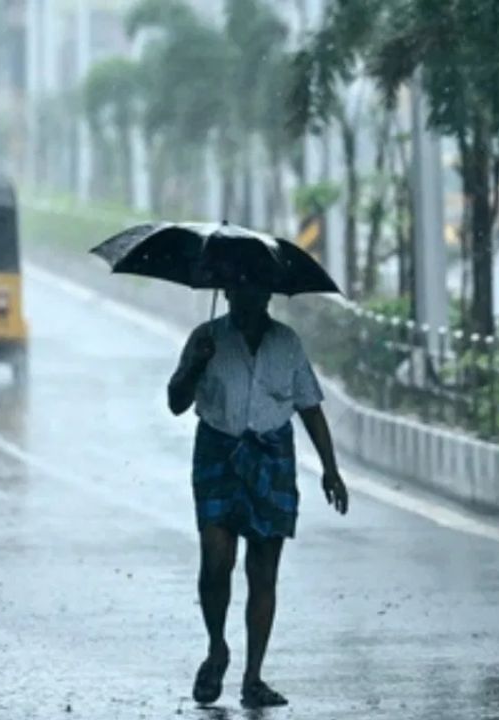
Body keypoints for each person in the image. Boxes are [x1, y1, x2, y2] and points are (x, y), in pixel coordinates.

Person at [167, 284, 349, 709]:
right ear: (228, 293)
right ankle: (217, 648)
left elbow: (309, 406)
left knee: (263, 572)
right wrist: (194, 365)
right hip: (217, 456)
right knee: (216, 560)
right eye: (242, 291)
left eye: (257, 292)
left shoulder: (287, 343)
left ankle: (253, 677)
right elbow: (176, 402)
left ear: (267, 295)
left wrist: (330, 468)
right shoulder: (206, 337)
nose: (250, 300)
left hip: (272, 460)